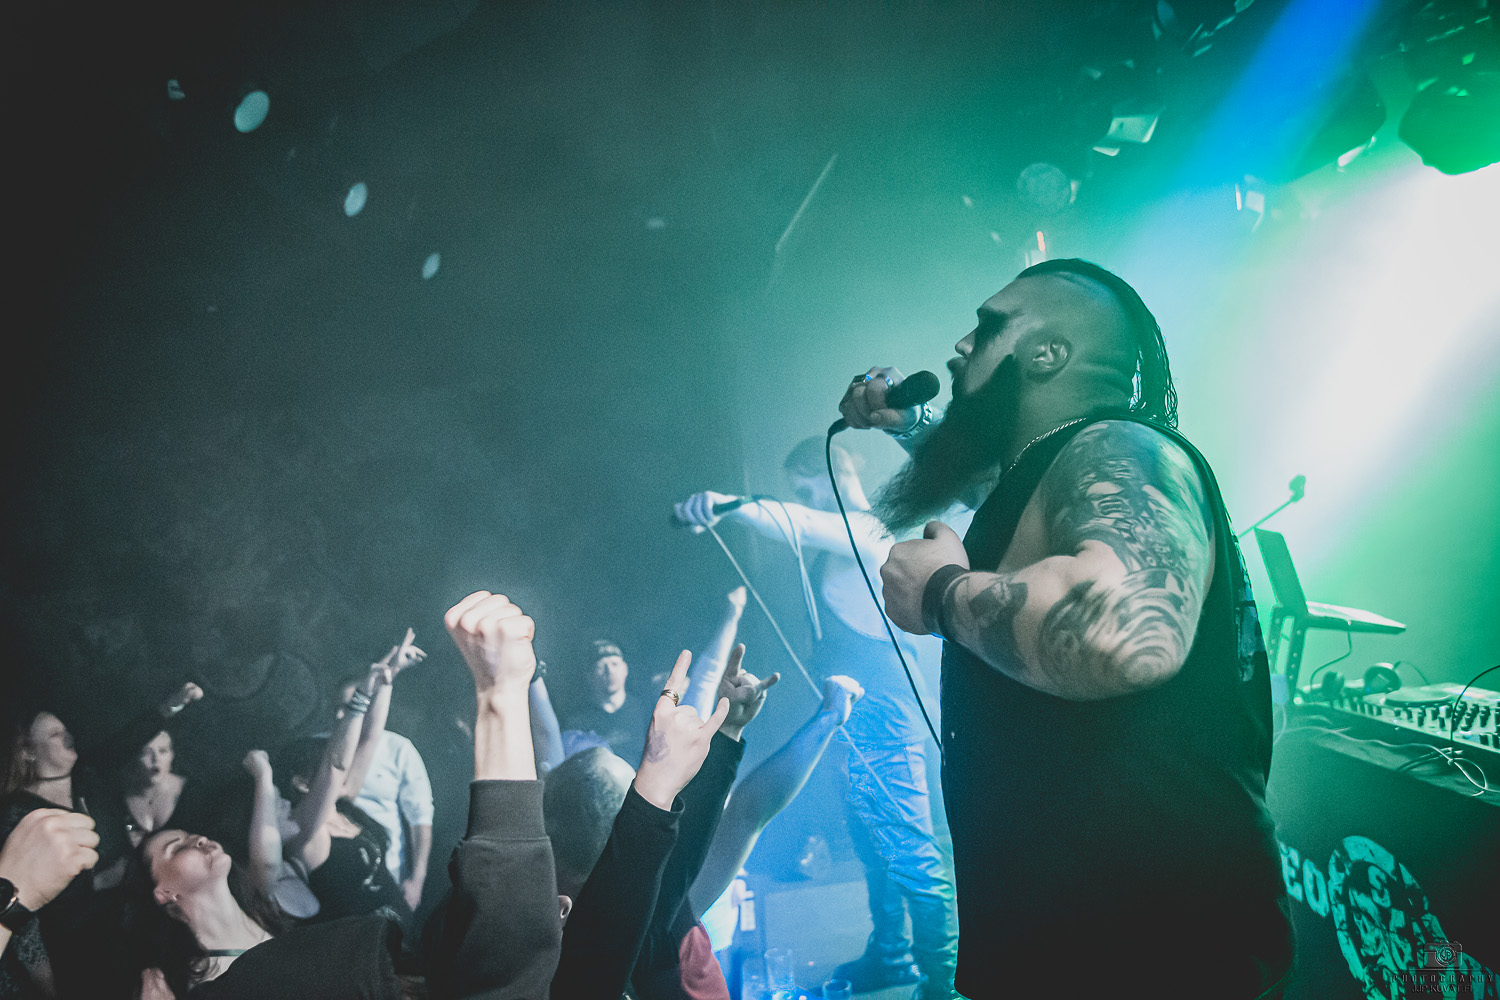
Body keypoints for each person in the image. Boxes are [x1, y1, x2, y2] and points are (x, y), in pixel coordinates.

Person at [840, 258, 1294, 998]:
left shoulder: (1122, 448)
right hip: (1088, 947)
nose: (960, 345)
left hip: (1154, 959)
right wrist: (916, 427)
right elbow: (1013, 502)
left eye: (988, 327)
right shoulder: (1070, 462)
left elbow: (1129, 634)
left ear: (1047, 353)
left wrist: (942, 593)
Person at [125, 591, 568, 1000]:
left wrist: (383, 684)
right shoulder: (295, 847)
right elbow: (325, 781)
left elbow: (356, 755)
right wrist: (263, 777)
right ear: (162, 893)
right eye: (176, 846)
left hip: (408, 954)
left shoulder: (275, 917)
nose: (198, 838)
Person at [675, 443, 959, 998]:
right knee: (873, 839)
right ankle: (892, 955)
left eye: (803, 485)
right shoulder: (847, 538)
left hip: (884, 704)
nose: (801, 497)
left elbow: (799, 524)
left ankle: (944, 978)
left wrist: (726, 504)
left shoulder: (871, 528)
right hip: (856, 706)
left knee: (909, 845)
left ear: (831, 471)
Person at [0, 683, 204, 998]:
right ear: (27, 751)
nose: (67, 735)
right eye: (54, 734)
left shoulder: (88, 776)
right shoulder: (20, 816)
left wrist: (170, 707)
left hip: (138, 918)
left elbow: (127, 741)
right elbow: (25, 909)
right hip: (83, 946)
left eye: (65, 729)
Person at [274, 631, 425, 929]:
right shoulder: (303, 829)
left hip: (401, 931)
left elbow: (369, 739)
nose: (347, 765)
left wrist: (387, 680)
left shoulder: (345, 806)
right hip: (360, 947)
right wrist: (361, 698)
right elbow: (334, 768)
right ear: (302, 782)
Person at [331, 660, 436, 914]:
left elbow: (420, 818)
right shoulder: (317, 749)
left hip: (385, 875)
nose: (340, 715)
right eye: (337, 707)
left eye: (349, 707)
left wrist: (417, 880)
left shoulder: (399, 749)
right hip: (332, 873)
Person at [560, 640, 653, 763]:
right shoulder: (577, 722)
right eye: (600, 666)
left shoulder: (646, 712)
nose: (610, 671)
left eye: (615, 664)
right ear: (589, 675)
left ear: (625, 669)